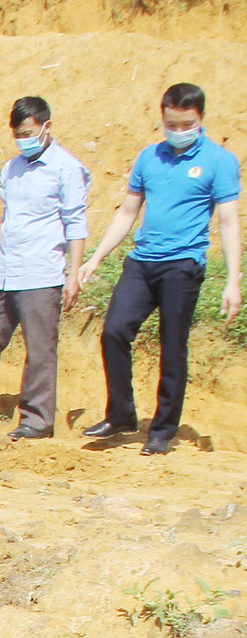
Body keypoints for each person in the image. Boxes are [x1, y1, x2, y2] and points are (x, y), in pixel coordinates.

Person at [79, 82, 241, 455]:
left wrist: (233, 280)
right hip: (142, 261)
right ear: (162, 117)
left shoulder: (219, 161)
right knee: (114, 331)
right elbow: (128, 211)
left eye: (187, 125)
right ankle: (121, 415)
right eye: (172, 124)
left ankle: (162, 430)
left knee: (172, 345)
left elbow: (229, 222)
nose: (179, 131)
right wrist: (97, 256)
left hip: (183, 265)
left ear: (200, 119)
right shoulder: (149, 158)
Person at [0, 97, 91, 440]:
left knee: (39, 350)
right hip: (3, 272)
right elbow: (6, 222)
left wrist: (74, 273)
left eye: (28, 132)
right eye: (17, 134)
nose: (23, 139)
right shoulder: (11, 168)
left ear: (45, 127)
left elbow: (76, 224)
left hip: (41, 272)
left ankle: (36, 421)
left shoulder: (67, 169)